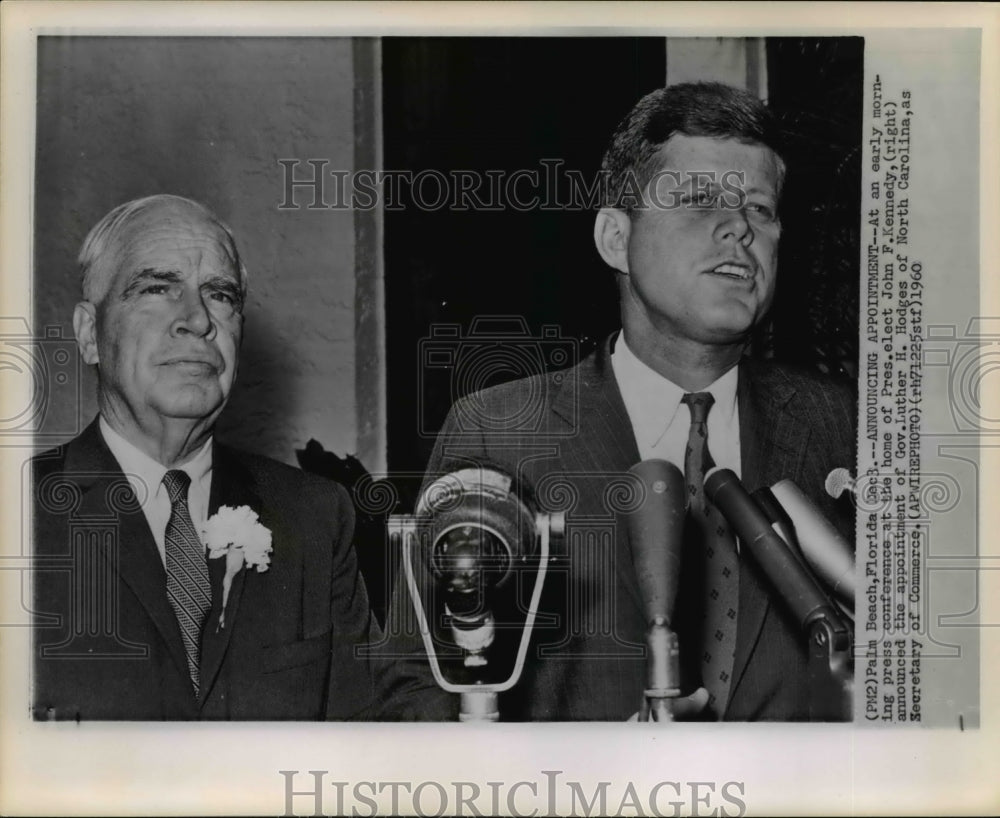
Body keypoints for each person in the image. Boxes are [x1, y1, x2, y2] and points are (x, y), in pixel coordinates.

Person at [376, 82, 856, 721]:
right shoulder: (500, 434)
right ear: (614, 238)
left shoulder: (843, 422)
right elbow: (414, 694)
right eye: (697, 199)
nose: (740, 227)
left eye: (762, 210)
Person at [32, 194, 377, 720]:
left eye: (219, 295)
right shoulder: (21, 518)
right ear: (89, 334)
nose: (197, 320)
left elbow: (372, 737)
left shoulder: (315, 517)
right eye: (156, 288)